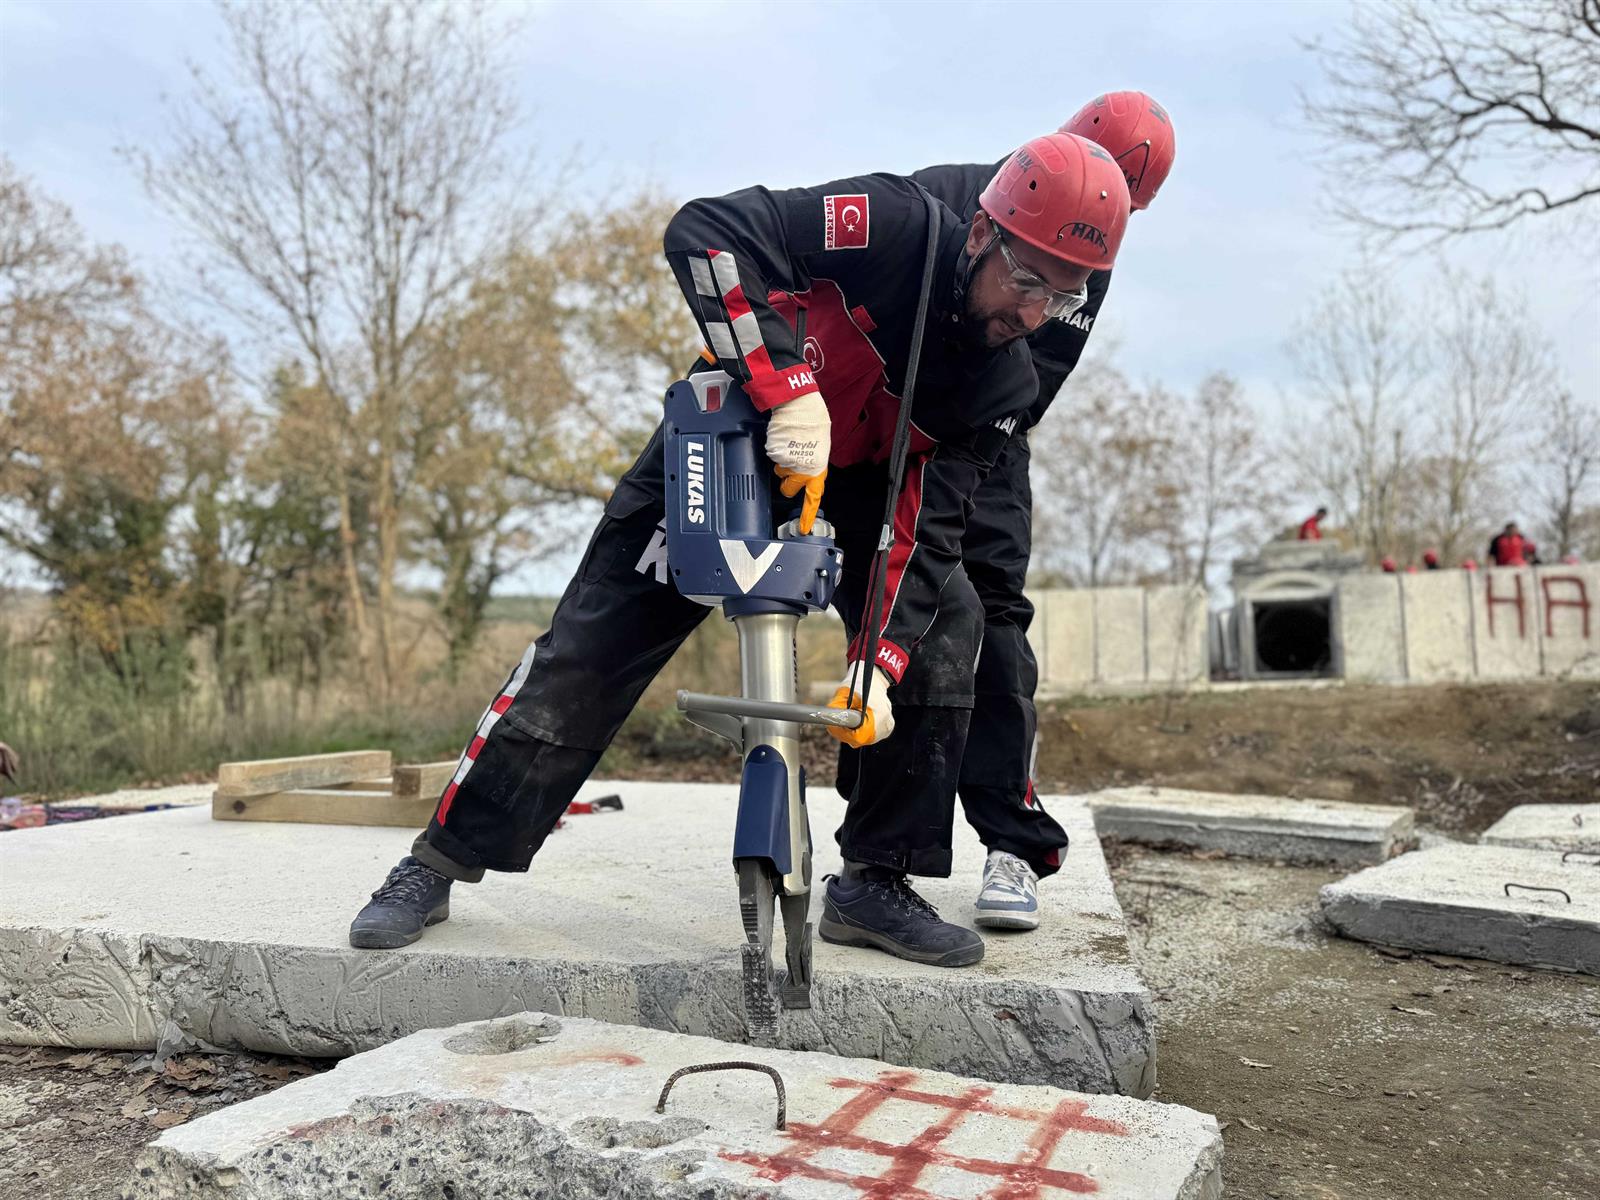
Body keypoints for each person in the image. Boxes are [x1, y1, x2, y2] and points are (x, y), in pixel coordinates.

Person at [347, 133, 1133, 969]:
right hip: (740, 422)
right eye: (1027, 280)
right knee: (593, 646)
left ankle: (877, 880)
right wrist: (787, 388)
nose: (1036, 312)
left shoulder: (1003, 380)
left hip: (864, 477)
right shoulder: (894, 224)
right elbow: (708, 231)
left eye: (1065, 293)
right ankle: (438, 862)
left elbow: (924, 530)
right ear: (984, 234)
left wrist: (880, 662)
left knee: (947, 630)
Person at [907, 90, 1176, 930]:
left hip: (990, 437)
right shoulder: (950, 196)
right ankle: (888, 850)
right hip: (893, 422)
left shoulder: (1093, 260)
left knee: (998, 622)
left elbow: (1032, 384)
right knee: (901, 615)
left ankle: (1010, 845)